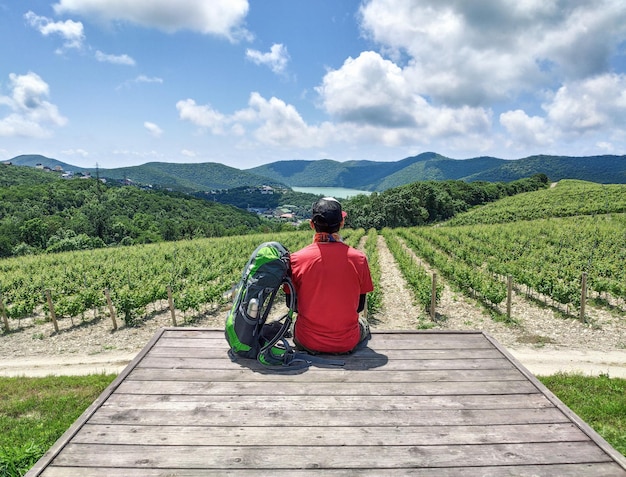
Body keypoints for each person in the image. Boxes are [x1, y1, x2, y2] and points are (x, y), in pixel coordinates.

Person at [287, 197, 374, 354]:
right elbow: (359, 307)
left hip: (307, 340)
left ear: (312, 224)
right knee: (364, 323)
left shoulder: (296, 259)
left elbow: (291, 305)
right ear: (342, 223)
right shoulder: (359, 259)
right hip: (347, 342)